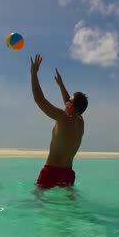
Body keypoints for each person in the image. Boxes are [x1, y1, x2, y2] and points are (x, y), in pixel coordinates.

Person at [30, 54, 88, 189]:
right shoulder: (80, 122)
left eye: (69, 101)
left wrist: (33, 73)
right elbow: (73, 106)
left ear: (72, 106)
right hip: (68, 174)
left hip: (51, 171)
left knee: (39, 203)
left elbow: (40, 99)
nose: (66, 101)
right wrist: (61, 85)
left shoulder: (62, 117)